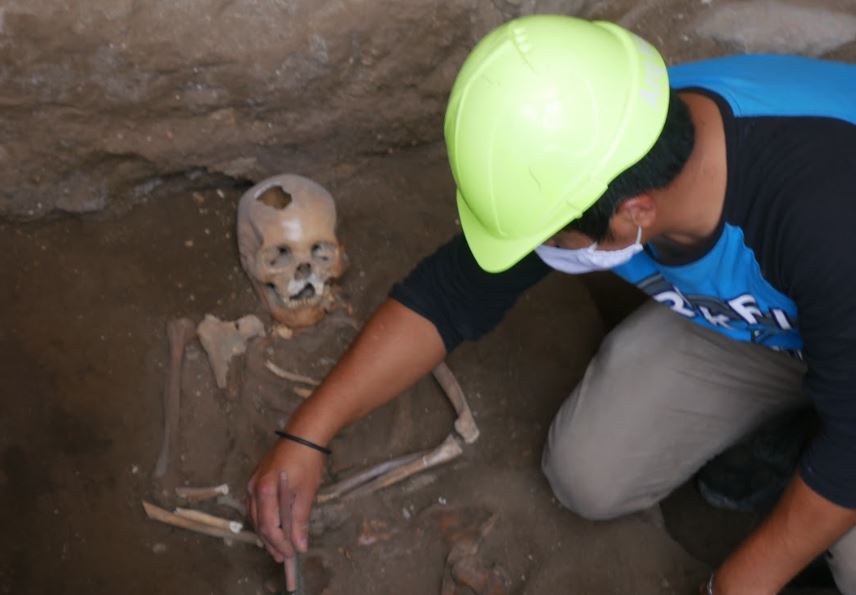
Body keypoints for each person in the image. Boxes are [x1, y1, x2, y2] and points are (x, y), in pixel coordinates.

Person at [247, 15, 856, 594]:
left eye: (549, 236)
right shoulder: (599, 141)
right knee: (590, 473)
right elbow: (452, 292)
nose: (539, 250)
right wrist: (308, 433)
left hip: (831, 290)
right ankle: (800, 421)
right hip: (788, 323)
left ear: (633, 213)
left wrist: (736, 582)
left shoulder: (823, 217)